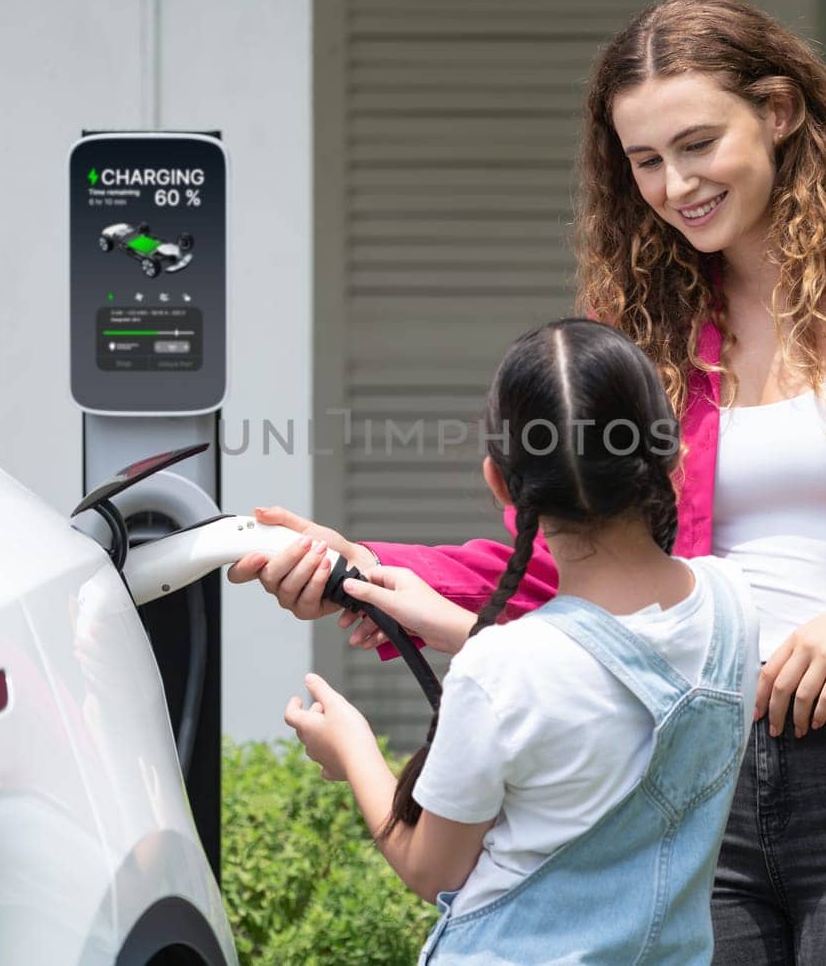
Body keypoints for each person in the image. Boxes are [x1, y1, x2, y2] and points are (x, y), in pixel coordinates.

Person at [233, 0, 826, 963]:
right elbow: (592, 553)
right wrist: (367, 564)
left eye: (697, 144)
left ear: (777, 111)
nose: (673, 184)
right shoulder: (646, 329)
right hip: (686, 782)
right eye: (644, 160)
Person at [277, 318, 760, 963]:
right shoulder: (732, 605)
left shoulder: (502, 670)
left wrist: (352, 752)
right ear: (671, 457)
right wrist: (457, 628)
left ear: (501, 484)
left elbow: (431, 870)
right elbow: (605, 670)